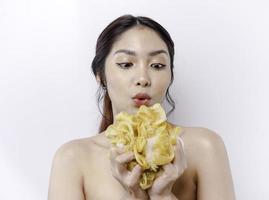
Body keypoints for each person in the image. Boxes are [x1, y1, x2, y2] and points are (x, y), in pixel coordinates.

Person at [48, 14, 236, 200]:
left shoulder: (205, 147)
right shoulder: (72, 159)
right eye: (126, 64)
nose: (143, 79)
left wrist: (163, 197)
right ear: (100, 74)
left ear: (170, 74)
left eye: (157, 65)